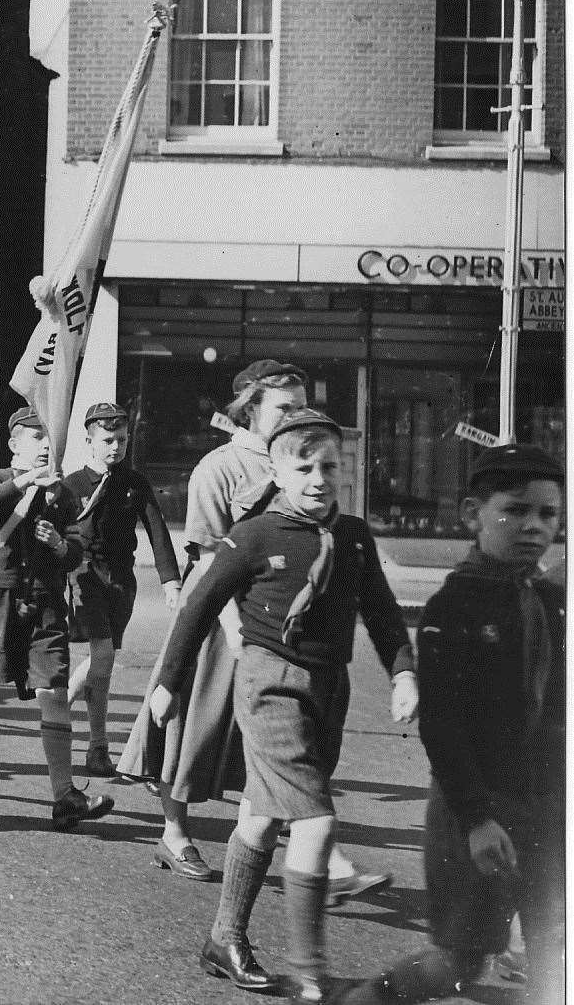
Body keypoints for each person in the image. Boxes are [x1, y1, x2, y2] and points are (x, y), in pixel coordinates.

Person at [149, 409, 417, 1001]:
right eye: (305, 467)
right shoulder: (254, 535)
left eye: (330, 467)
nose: (319, 479)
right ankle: (310, 973)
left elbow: (380, 610)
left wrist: (402, 672)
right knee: (316, 819)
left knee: (262, 816)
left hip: (328, 687)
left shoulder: (352, 537)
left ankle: (225, 940)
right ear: (277, 470)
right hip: (268, 683)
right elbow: (198, 608)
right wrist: (167, 682)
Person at [119, 359, 385, 899]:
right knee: (192, 728)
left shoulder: (307, 461)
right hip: (223, 617)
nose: (298, 414)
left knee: (267, 743)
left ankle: (299, 848)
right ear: (251, 409)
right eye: (284, 407)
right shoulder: (218, 467)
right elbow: (209, 554)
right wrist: (234, 628)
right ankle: (173, 831)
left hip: (276, 622)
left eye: (302, 403)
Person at [361, 443, 563, 1005]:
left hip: (548, 808)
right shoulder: (457, 604)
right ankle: (367, 999)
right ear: (474, 514)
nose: (533, 526)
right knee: (458, 958)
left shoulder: (551, 599)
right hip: (474, 809)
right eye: (514, 511)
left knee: (555, 945)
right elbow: (443, 727)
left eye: (548, 514)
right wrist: (476, 818)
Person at [0, 406, 114, 834]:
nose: (45, 444)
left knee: (54, 688)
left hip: (45, 600)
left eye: (47, 437)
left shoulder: (63, 492)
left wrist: (57, 547)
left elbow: (76, 552)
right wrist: (27, 481)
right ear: (15, 444)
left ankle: (65, 795)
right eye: (35, 437)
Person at [61, 402, 182, 778]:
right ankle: (96, 745)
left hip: (121, 582)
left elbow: (157, 530)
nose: (116, 447)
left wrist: (170, 581)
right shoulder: (72, 485)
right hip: (83, 577)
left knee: (103, 661)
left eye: (122, 440)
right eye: (108, 440)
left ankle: (65, 714)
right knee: (103, 658)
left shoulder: (134, 483)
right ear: (89, 441)